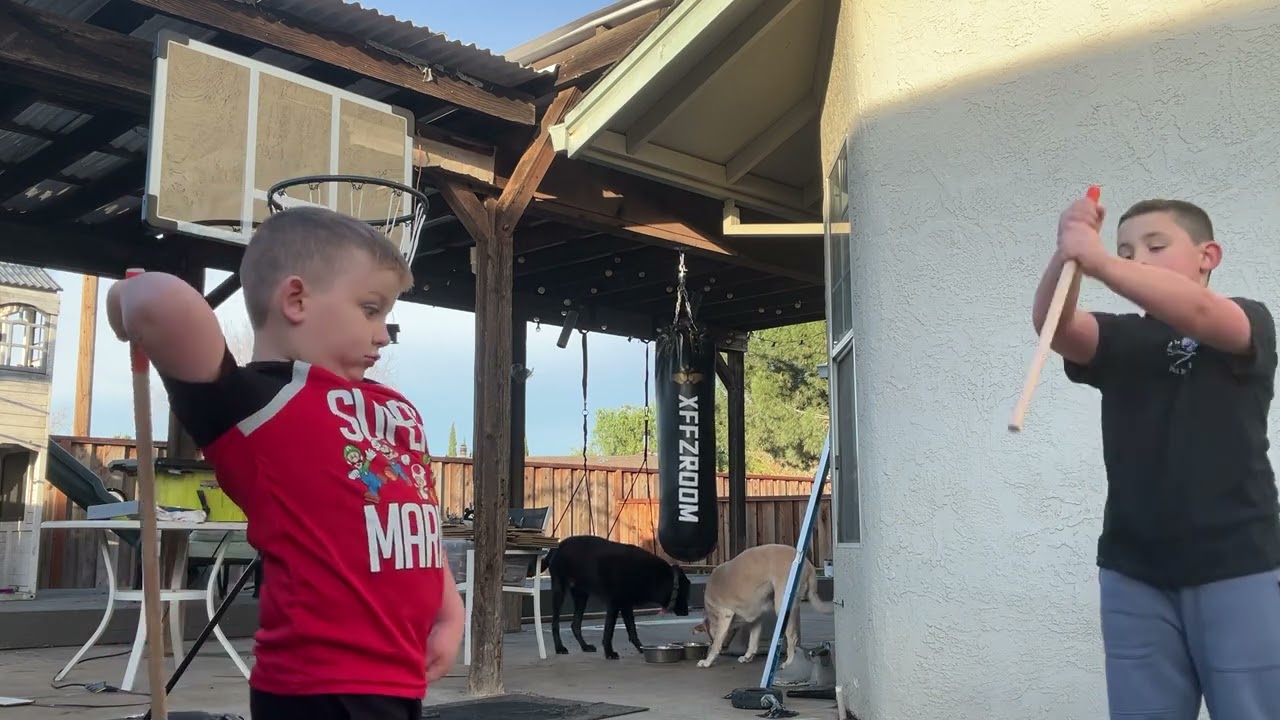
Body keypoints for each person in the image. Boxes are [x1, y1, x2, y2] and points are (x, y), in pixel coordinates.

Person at [107, 206, 464, 720]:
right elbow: (160, 299)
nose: (384, 334)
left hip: (398, 676)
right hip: (316, 687)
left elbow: (415, 521)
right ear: (296, 299)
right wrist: (122, 302)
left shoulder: (393, 408)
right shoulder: (256, 404)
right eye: (370, 309)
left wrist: (448, 610)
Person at [1031, 195, 1280, 719]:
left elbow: (1199, 311)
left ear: (1207, 256)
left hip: (1239, 564)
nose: (1135, 258)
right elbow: (1055, 327)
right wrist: (1067, 254)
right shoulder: (1123, 338)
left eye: (1155, 246)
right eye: (1124, 249)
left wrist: (1102, 261)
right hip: (1133, 570)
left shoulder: (1245, 322)